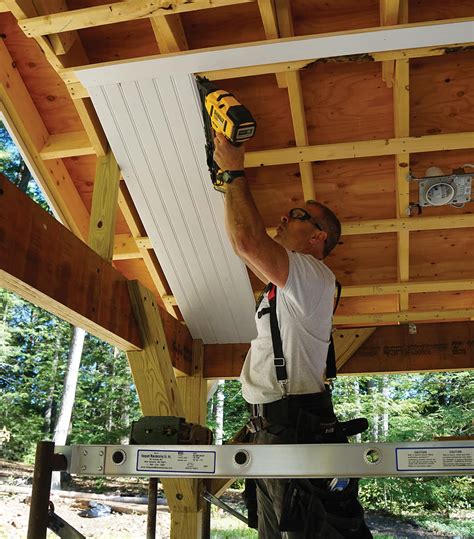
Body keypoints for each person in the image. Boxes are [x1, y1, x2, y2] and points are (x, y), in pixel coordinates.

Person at [214, 133, 372, 539]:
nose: (284, 218)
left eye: (297, 214)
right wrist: (227, 184)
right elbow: (243, 241)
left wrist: (234, 170)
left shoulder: (313, 275)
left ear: (318, 236)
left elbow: (248, 242)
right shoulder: (285, 285)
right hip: (275, 428)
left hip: (289, 426)